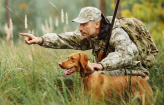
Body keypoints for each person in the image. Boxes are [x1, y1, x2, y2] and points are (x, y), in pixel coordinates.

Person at [20, 7, 149, 76]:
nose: (80, 28)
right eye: (79, 24)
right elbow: (65, 39)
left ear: (97, 24)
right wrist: (40, 39)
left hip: (134, 72)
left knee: (97, 74)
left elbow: (125, 53)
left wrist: (101, 65)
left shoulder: (116, 33)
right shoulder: (90, 34)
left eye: (84, 24)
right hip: (110, 71)